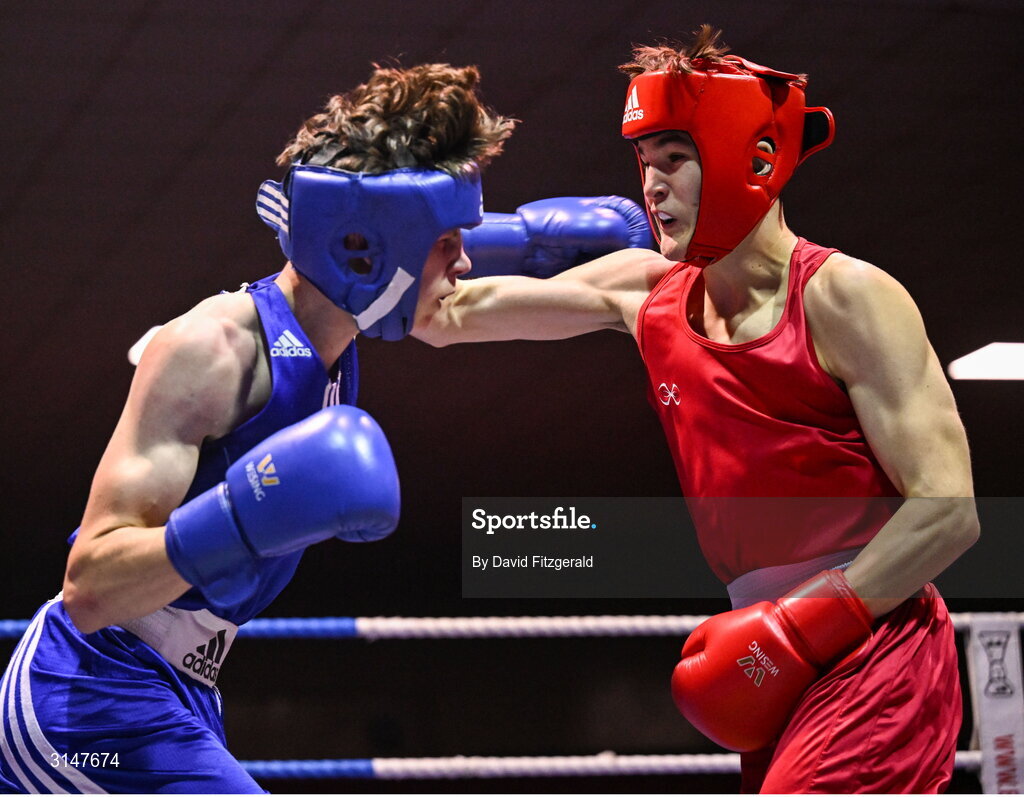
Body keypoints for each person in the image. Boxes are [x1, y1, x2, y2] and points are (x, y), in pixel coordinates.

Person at [414, 27, 978, 793]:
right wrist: (386, 229)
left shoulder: (846, 297)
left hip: (876, 645)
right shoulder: (646, 294)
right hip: (767, 660)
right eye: (645, 162)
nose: (651, 184)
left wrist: (808, 620)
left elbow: (948, 510)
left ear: (752, 157)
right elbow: (440, 316)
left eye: (674, 159)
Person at [0, 62, 521, 794]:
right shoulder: (214, 349)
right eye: (447, 241)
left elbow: (516, 304)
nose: (465, 261)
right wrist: (239, 520)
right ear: (377, 245)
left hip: (181, 695)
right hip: (84, 700)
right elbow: (88, 584)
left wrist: (639, 289)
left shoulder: (344, 334)